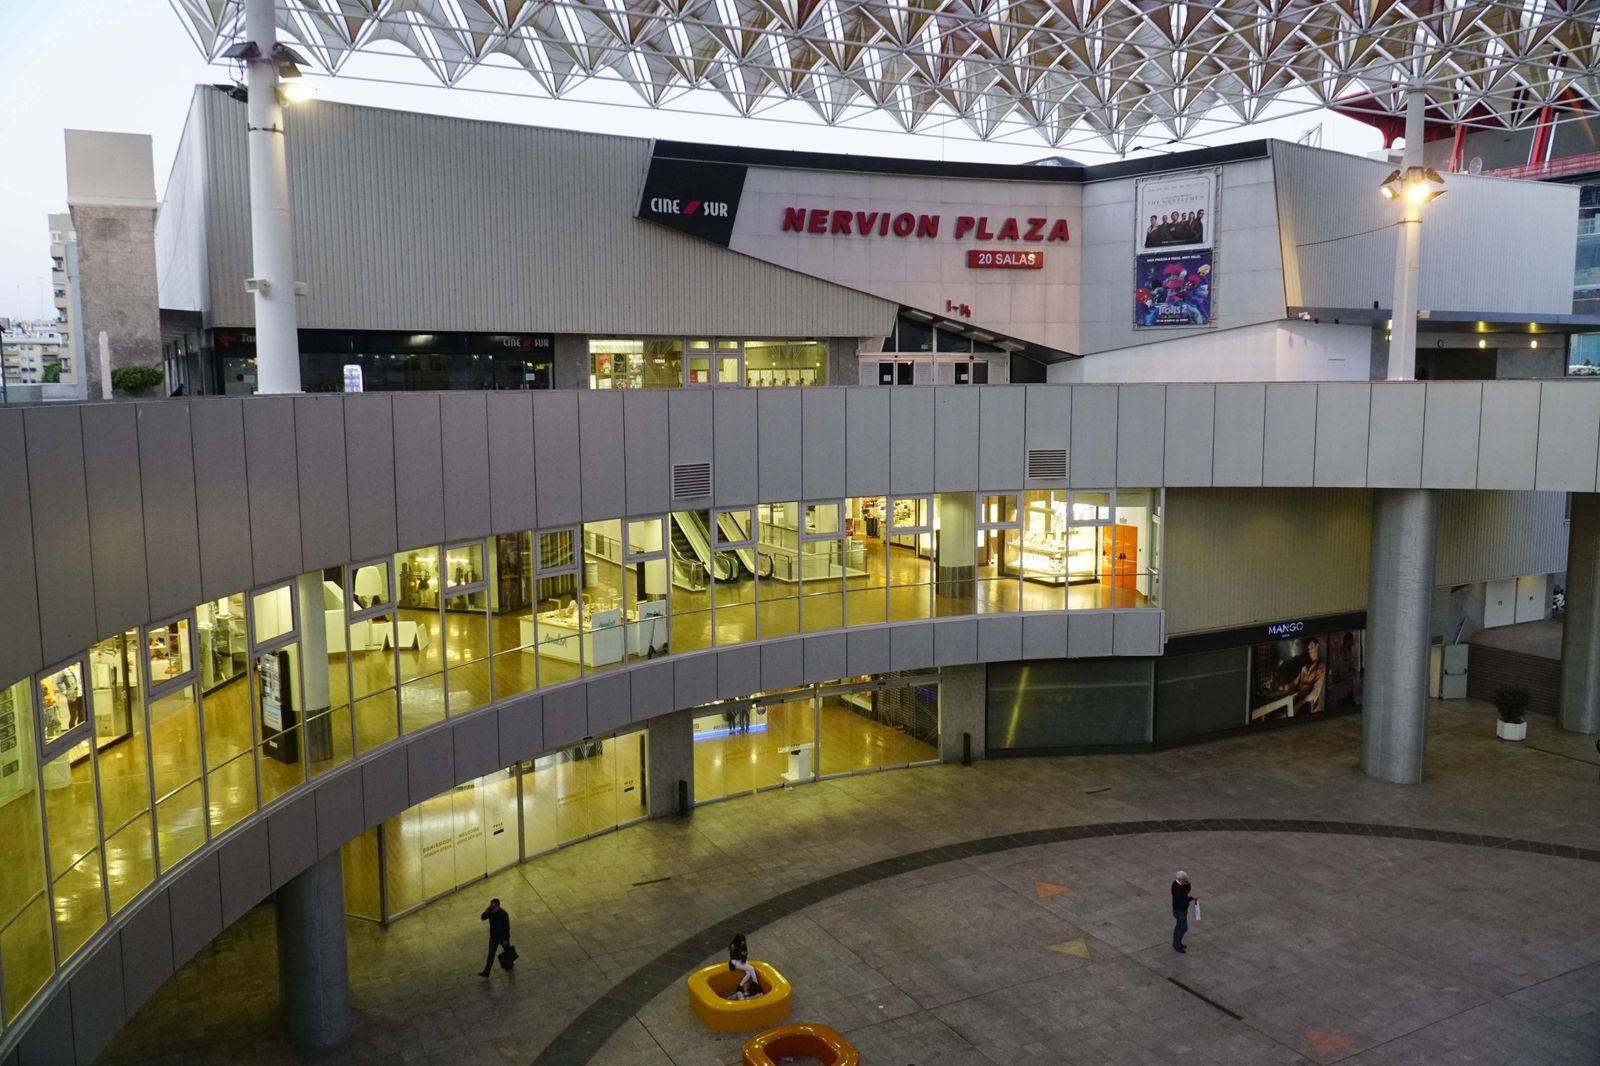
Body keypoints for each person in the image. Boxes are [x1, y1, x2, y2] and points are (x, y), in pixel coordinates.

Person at [479, 898, 511, 977]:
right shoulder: (490, 912)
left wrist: (506, 939)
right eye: (491, 906)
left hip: (502, 938)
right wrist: (486, 912)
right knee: (491, 955)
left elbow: (507, 928)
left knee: (507, 952)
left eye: (493, 907)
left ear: (498, 906)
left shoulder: (503, 914)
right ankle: (486, 972)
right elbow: (483, 918)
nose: (492, 908)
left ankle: (510, 964)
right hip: (494, 938)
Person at [728, 932, 760, 998]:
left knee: (748, 973)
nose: (743, 943)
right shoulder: (733, 945)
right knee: (751, 968)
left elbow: (746, 952)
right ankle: (756, 986)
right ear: (738, 941)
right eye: (741, 941)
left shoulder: (743, 944)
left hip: (741, 960)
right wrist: (741, 955)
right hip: (734, 961)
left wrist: (744, 958)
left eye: (743, 941)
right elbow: (733, 957)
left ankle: (740, 986)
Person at [1171, 871, 1197, 952]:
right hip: (1180, 910)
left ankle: (1176, 942)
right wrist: (1191, 898)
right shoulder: (1177, 888)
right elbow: (1182, 900)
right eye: (1185, 879)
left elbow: (1187, 890)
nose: (1186, 880)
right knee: (1183, 927)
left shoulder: (1180, 884)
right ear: (1180, 879)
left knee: (1179, 926)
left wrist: (1188, 883)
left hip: (1181, 909)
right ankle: (1177, 944)